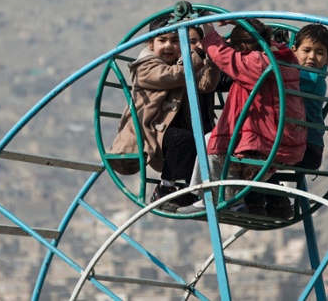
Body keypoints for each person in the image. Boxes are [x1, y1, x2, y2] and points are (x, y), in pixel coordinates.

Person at [178, 18, 307, 215]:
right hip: (286, 143)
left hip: (265, 145)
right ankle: (211, 195)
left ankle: (216, 199)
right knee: (211, 142)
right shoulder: (284, 58)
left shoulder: (257, 64)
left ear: (245, 47)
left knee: (214, 146)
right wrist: (241, 21)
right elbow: (263, 39)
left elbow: (222, 55)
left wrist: (208, 29)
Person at [109, 14, 220, 211]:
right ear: (151, 44)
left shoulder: (182, 66)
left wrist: (211, 59)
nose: (169, 45)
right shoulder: (146, 67)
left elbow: (206, 84)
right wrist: (198, 55)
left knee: (199, 140)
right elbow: (172, 76)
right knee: (181, 138)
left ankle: (188, 188)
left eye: (175, 41)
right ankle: (165, 187)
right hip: (148, 130)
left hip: (166, 130)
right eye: (162, 40)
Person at [265, 23, 328, 219]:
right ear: (295, 51)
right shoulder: (310, 72)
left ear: (327, 58)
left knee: (254, 156)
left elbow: (286, 71)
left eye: (319, 52)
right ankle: (273, 201)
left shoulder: (312, 77)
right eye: (307, 50)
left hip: (306, 148)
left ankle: (276, 201)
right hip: (299, 144)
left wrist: (276, 49)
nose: (312, 57)